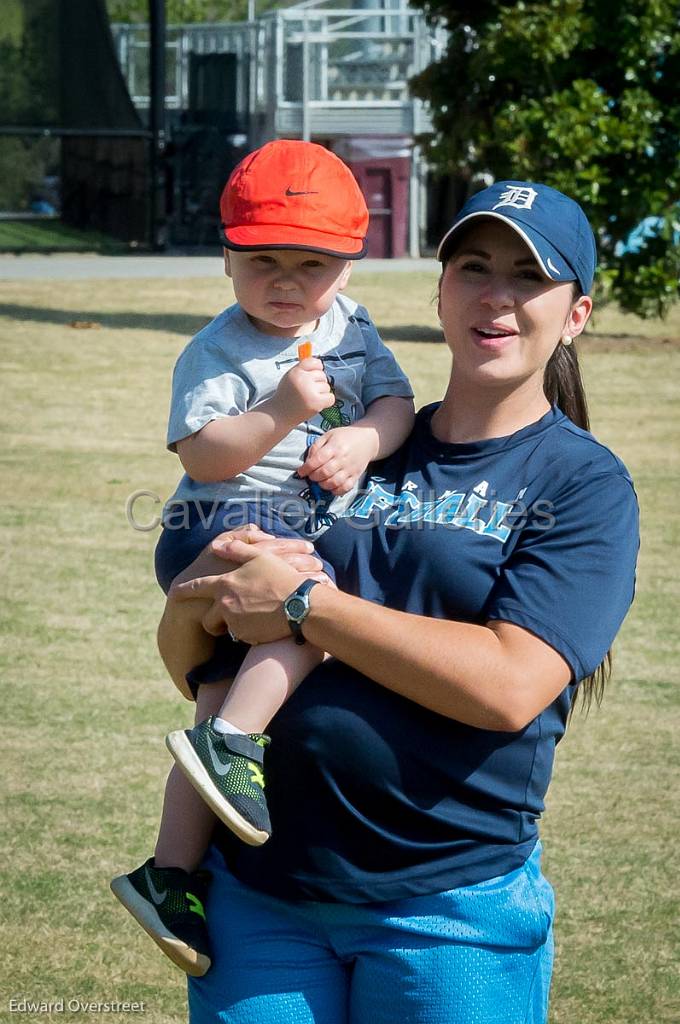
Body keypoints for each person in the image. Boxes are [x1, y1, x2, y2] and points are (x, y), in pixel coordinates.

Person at [157, 180, 640, 1023]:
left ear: (575, 314)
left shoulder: (582, 483)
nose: (496, 296)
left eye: (529, 277)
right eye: (474, 268)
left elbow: (509, 687)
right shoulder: (351, 444)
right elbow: (197, 658)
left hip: (447, 909)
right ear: (440, 290)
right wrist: (193, 610)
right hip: (262, 895)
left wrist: (308, 606)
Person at [110, 140, 415, 977]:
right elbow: (202, 456)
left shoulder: (352, 329)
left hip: (287, 521)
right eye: (263, 260)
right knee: (312, 605)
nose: (285, 281)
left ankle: (168, 874)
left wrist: (362, 437)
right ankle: (234, 746)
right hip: (218, 521)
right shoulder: (219, 351)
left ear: (347, 271)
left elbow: (395, 402)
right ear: (227, 261)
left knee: (215, 692)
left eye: (310, 263)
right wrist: (282, 408)